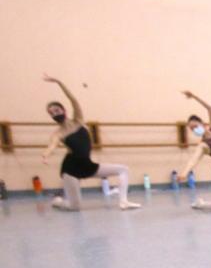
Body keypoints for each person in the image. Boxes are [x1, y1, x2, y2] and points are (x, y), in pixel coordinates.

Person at [40, 75, 140, 211]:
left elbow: (73, 99)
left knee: (123, 169)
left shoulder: (78, 120)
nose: (55, 114)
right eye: (51, 113)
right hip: (70, 170)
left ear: (64, 110)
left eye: (57, 110)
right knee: (75, 207)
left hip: (87, 165)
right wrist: (45, 155)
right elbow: (51, 146)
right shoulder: (58, 133)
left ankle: (124, 202)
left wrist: (59, 82)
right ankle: (57, 201)